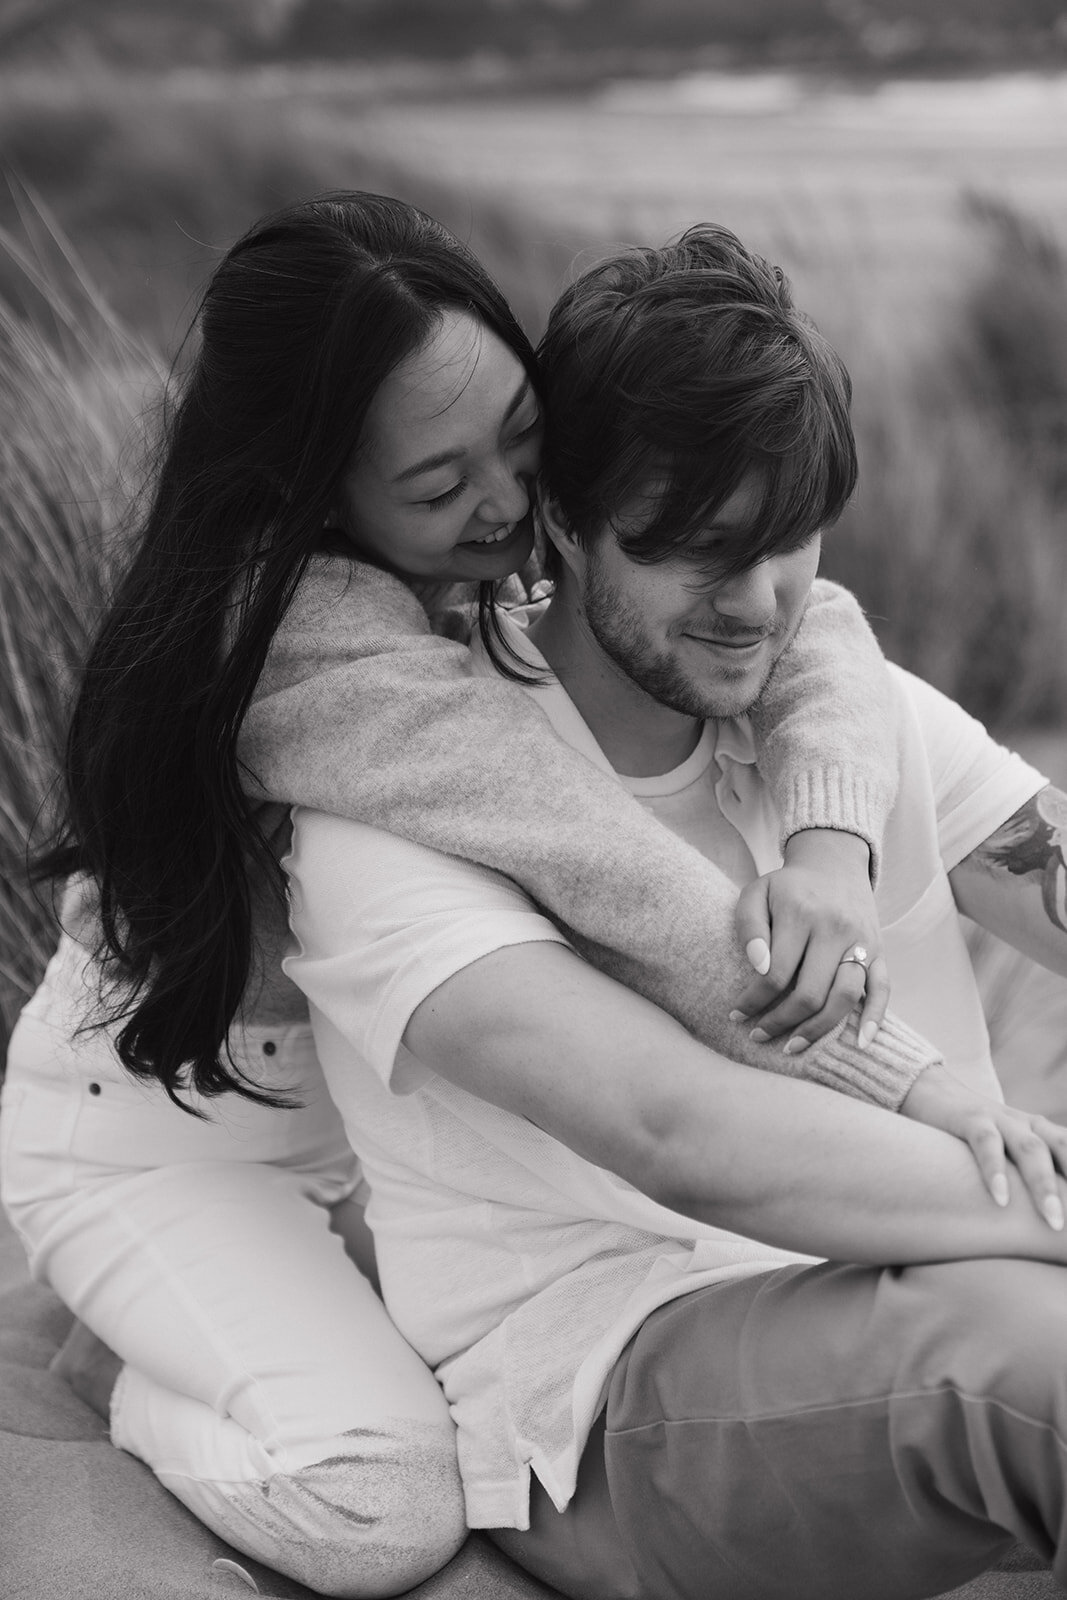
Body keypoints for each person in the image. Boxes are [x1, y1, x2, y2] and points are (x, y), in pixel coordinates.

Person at [0, 192, 963, 1598]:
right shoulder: (323, 667)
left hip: (336, 1129)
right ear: (317, 491)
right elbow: (610, 874)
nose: (512, 509)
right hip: (157, 1136)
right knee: (384, 1503)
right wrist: (906, 1076)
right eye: (444, 488)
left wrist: (828, 844)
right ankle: (122, 1385)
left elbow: (814, 615)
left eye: (523, 446)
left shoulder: (472, 571)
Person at [280, 223, 1067, 1600]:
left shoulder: (839, 715)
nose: (758, 605)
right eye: (700, 552)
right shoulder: (396, 818)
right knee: (1037, 1360)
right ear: (561, 522)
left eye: (789, 544)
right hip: (610, 1387)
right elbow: (683, 1134)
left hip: (913, 1282)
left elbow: (1046, 875)